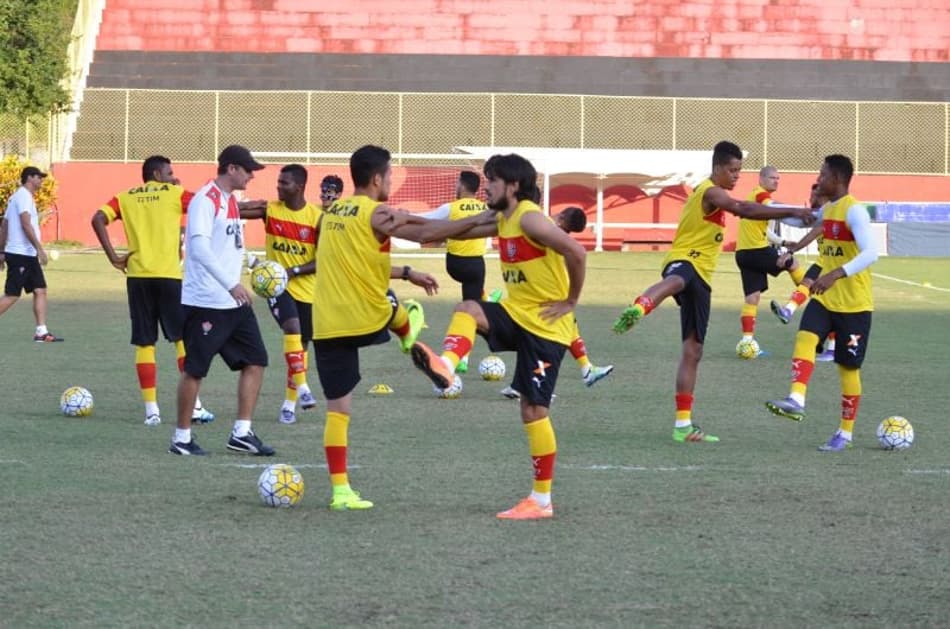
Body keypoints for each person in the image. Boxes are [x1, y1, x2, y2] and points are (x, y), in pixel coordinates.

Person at [312, 144, 491, 511]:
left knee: (338, 409)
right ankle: (408, 332)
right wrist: (485, 221)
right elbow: (428, 232)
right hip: (369, 314)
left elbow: (353, 262)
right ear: (377, 178)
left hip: (328, 323)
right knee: (399, 305)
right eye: (391, 174)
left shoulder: (329, 215)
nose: (391, 180)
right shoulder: (377, 213)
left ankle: (340, 492)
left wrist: (407, 271)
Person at [411, 153, 587, 520]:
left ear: (514, 185)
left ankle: (541, 501)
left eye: (491, 180)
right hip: (517, 314)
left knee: (533, 409)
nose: (485, 186)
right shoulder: (505, 218)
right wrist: (411, 229)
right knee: (468, 310)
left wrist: (570, 301)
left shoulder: (530, 218)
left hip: (545, 326)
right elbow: (463, 227)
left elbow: (577, 251)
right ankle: (446, 365)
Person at [611, 141, 815, 443]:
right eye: (732, 170)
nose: (736, 176)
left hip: (703, 276)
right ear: (717, 168)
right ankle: (641, 306)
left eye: (739, 171)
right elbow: (743, 208)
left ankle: (683, 426)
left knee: (693, 352)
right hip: (685, 261)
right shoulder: (710, 191)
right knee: (681, 280)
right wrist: (796, 210)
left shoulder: (712, 194)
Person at [91, 155, 216, 426]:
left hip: (137, 277)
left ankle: (152, 411)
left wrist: (113, 257)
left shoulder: (125, 197)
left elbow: (97, 218)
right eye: (170, 172)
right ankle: (193, 406)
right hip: (169, 277)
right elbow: (205, 204)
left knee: (145, 342)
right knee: (181, 339)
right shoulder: (174, 193)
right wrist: (176, 187)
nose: (173, 176)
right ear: (158, 174)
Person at [766, 154, 878, 451]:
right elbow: (801, 220)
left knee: (847, 369)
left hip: (855, 305)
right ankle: (796, 400)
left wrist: (836, 274)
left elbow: (870, 253)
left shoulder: (854, 212)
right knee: (805, 336)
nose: (819, 178)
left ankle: (845, 434)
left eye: (823, 174)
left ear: (838, 179)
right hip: (826, 299)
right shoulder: (829, 210)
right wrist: (761, 211)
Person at [169, 145, 275, 456]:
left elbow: (232, 243)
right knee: (196, 370)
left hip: (234, 303)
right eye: (247, 169)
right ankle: (181, 438)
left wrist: (254, 264)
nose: (252, 175)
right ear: (231, 169)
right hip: (206, 302)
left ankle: (241, 433)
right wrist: (231, 284)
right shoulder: (206, 200)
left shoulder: (230, 200)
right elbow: (199, 249)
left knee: (256, 361)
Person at [499, 206, 613, 399]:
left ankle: (583, 369)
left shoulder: (544, 229)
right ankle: (534, 384)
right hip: (545, 297)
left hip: (545, 297)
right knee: (547, 341)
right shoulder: (548, 231)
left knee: (556, 335)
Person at [240, 164, 324, 425]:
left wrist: (292, 270)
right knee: (292, 329)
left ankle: (288, 405)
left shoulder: (316, 218)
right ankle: (304, 389)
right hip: (276, 287)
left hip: (307, 290)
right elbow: (235, 211)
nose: (278, 187)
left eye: (284, 183)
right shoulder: (270, 210)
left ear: (299, 187)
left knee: (301, 346)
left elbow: (323, 260)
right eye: (278, 182)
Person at [418, 170, 497, 374]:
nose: (455, 186)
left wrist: (402, 214)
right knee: (469, 316)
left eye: (456, 183)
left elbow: (426, 219)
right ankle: (463, 358)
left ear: (462, 186)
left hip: (454, 265)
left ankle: (487, 298)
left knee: (469, 308)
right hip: (476, 266)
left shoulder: (450, 207)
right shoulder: (486, 208)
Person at [733, 166, 808, 357]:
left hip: (743, 254)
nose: (776, 181)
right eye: (772, 178)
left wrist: (782, 242)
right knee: (791, 262)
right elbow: (773, 206)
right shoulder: (760, 195)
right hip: (757, 251)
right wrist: (797, 212)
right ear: (761, 179)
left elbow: (764, 231)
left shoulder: (754, 200)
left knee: (752, 298)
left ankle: (746, 342)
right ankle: (803, 293)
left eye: (778, 178)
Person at [770, 183, 836, 361]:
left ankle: (832, 348)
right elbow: (799, 221)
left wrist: (791, 250)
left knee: (830, 304)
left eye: (814, 194)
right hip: (824, 261)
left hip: (834, 265)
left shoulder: (830, 211)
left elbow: (813, 233)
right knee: (808, 285)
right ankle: (789, 311)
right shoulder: (819, 213)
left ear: (823, 196)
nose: (811, 198)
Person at [0, 166, 64, 342]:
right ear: (29, 178)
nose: (41, 181)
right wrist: (40, 249)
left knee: (40, 290)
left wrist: (1, 251)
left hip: (25, 255)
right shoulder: (23, 197)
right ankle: (41, 331)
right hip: (21, 254)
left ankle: (41, 332)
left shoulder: (16, 197)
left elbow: (5, 225)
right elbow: (25, 224)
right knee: (12, 295)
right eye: (39, 177)